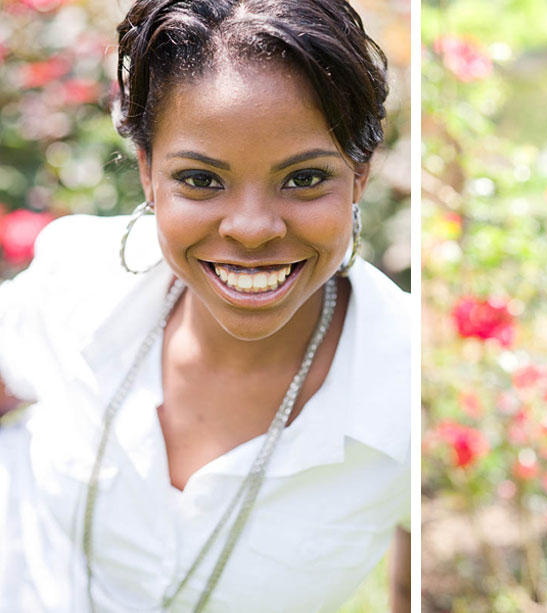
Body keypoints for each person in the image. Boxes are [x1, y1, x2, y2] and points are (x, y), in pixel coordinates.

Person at [0, 1, 411, 611]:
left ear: (360, 176)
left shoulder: (405, 388)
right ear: (147, 174)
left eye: (302, 179)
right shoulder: (73, 276)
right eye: (200, 179)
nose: (250, 228)